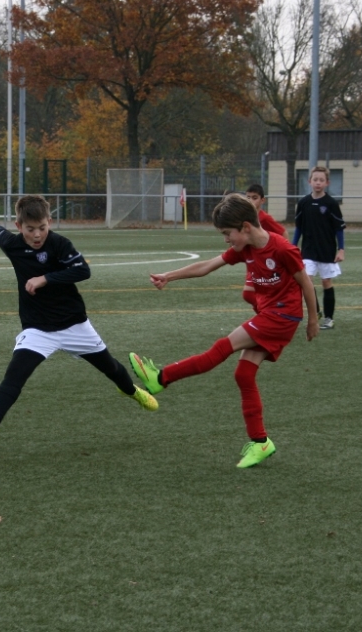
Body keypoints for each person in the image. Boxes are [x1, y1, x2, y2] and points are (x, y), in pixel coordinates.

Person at [128, 193, 319, 469]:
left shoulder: (282, 249)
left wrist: (313, 320)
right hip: (270, 314)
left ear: (245, 227)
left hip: (282, 316)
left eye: (227, 233)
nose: (226, 239)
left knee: (222, 348)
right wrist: (169, 276)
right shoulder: (245, 249)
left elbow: (307, 284)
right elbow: (207, 266)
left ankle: (161, 377)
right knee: (243, 373)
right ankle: (261, 442)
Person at [0, 194, 158, 442]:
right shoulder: (12, 243)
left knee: (111, 367)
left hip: (74, 325)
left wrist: (45, 278)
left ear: (50, 221)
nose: (37, 234)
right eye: (30, 229)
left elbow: (83, 270)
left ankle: (132, 391)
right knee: (15, 376)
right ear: (19, 227)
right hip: (38, 330)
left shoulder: (59, 244)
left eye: (42, 227)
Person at [293, 166, 345, 330]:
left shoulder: (331, 203)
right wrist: (293, 246)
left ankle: (329, 318)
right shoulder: (303, 203)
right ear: (310, 181)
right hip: (308, 249)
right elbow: (299, 228)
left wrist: (341, 249)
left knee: (326, 281)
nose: (318, 182)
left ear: (327, 183)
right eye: (315, 179)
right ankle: (316, 311)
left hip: (327, 249)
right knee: (306, 280)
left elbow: (338, 228)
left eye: (321, 180)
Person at [243, 184, 287, 306]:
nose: (250, 200)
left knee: (249, 293)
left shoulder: (264, 218)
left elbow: (284, 233)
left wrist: (281, 254)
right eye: (248, 197)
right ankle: (267, 316)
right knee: (251, 294)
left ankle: (269, 314)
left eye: (254, 197)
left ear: (262, 200)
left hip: (265, 262)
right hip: (252, 261)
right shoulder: (245, 217)